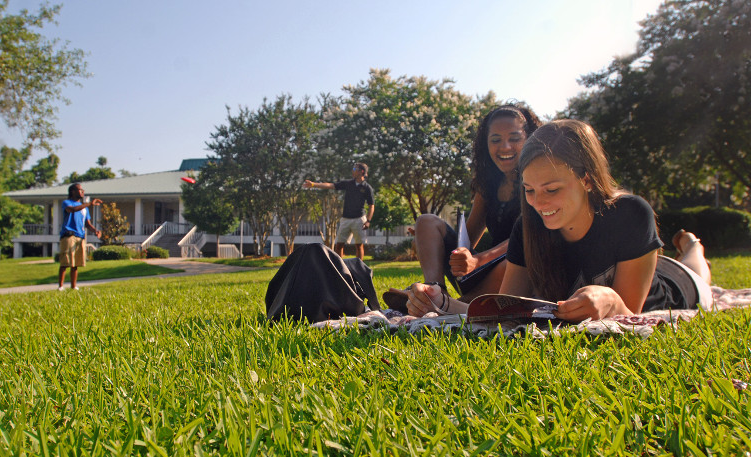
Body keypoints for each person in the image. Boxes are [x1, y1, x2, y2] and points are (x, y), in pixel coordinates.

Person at [406, 119, 713, 320]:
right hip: (640, 263)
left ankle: (693, 246)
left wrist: (610, 299)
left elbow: (631, 314)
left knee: (696, 270)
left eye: (551, 189)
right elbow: (504, 310)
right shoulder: (528, 227)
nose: (538, 204)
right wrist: (439, 303)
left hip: (676, 286)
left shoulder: (630, 214)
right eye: (529, 190)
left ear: (587, 180)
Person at [385, 105, 542, 310]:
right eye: (495, 140)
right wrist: (458, 254)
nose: (505, 147)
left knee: (513, 264)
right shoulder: (487, 185)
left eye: (514, 138)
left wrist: (479, 260)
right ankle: (434, 290)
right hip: (483, 269)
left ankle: (451, 305)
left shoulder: (538, 181)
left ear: (529, 139)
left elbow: (528, 235)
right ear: (485, 144)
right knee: (426, 221)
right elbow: (467, 237)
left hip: (517, 268)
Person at [303, 163, 375, 259]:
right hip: (346, 219)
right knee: (339, 245)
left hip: (359, 219)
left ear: (361, 171)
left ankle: (359, 265)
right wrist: (313, 184)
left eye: (355, 169)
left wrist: (368, 221)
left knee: (359, 245)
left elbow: (371, 206)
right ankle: (339, 266)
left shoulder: (367, 188)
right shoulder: (348, 184)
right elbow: (331, 185)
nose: (352, 171)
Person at [58, 183, 103, 290]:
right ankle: (61, 286)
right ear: (72, 191)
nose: (82, 191)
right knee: (65, 262)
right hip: (69, 235)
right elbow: (73, 210)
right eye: (80, 189)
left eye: (83, 190)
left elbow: (87, 223)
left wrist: (95, 230)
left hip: (80, 236)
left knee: (76, 264)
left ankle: (74, 287)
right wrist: (89, 204)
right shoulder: (67, 203)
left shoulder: (84, 208)